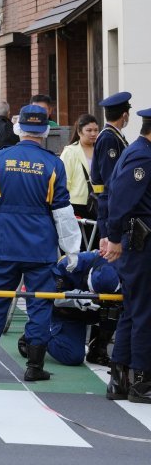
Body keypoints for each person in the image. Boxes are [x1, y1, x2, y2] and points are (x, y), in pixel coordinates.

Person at [0, 105, 81, 382]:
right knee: (40, 302)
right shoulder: (53, 163)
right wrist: (72, 249)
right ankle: (34, 365)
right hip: (40, 243)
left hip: (3, 239)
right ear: (45, 131)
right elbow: (62, 211)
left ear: (18, 128)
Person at [103, 107, 151, 403]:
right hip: (141, 244)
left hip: (135, 242)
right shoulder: (144, 156)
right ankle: (142, 382)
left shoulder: (135, 150)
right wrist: (116, 237)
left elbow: (108, 193)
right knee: (145, 312)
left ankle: (120, 379)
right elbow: (120, 198)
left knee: (133, 311)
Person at [18, 252, 120, 366]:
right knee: (72, 356)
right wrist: (77, 299)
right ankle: (36, 335)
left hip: (96, 309)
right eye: (94, 291)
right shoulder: (70, 264)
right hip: (67, 311)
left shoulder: (125, 266)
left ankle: (98, 349)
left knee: (117, 309)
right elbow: (49, 297)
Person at [91, 92, 132, 246]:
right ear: (124, 115)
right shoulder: (109, 138)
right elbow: (111, 176)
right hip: (109, 199)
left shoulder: (114, 135)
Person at [60, 114, 99, 221]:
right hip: (77, 204)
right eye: (89, 130)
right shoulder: (70, 151)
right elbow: (64, 181)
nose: (93, 133)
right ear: (79, 131)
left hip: (98, 201)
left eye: (96, 130)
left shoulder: (100, 149)